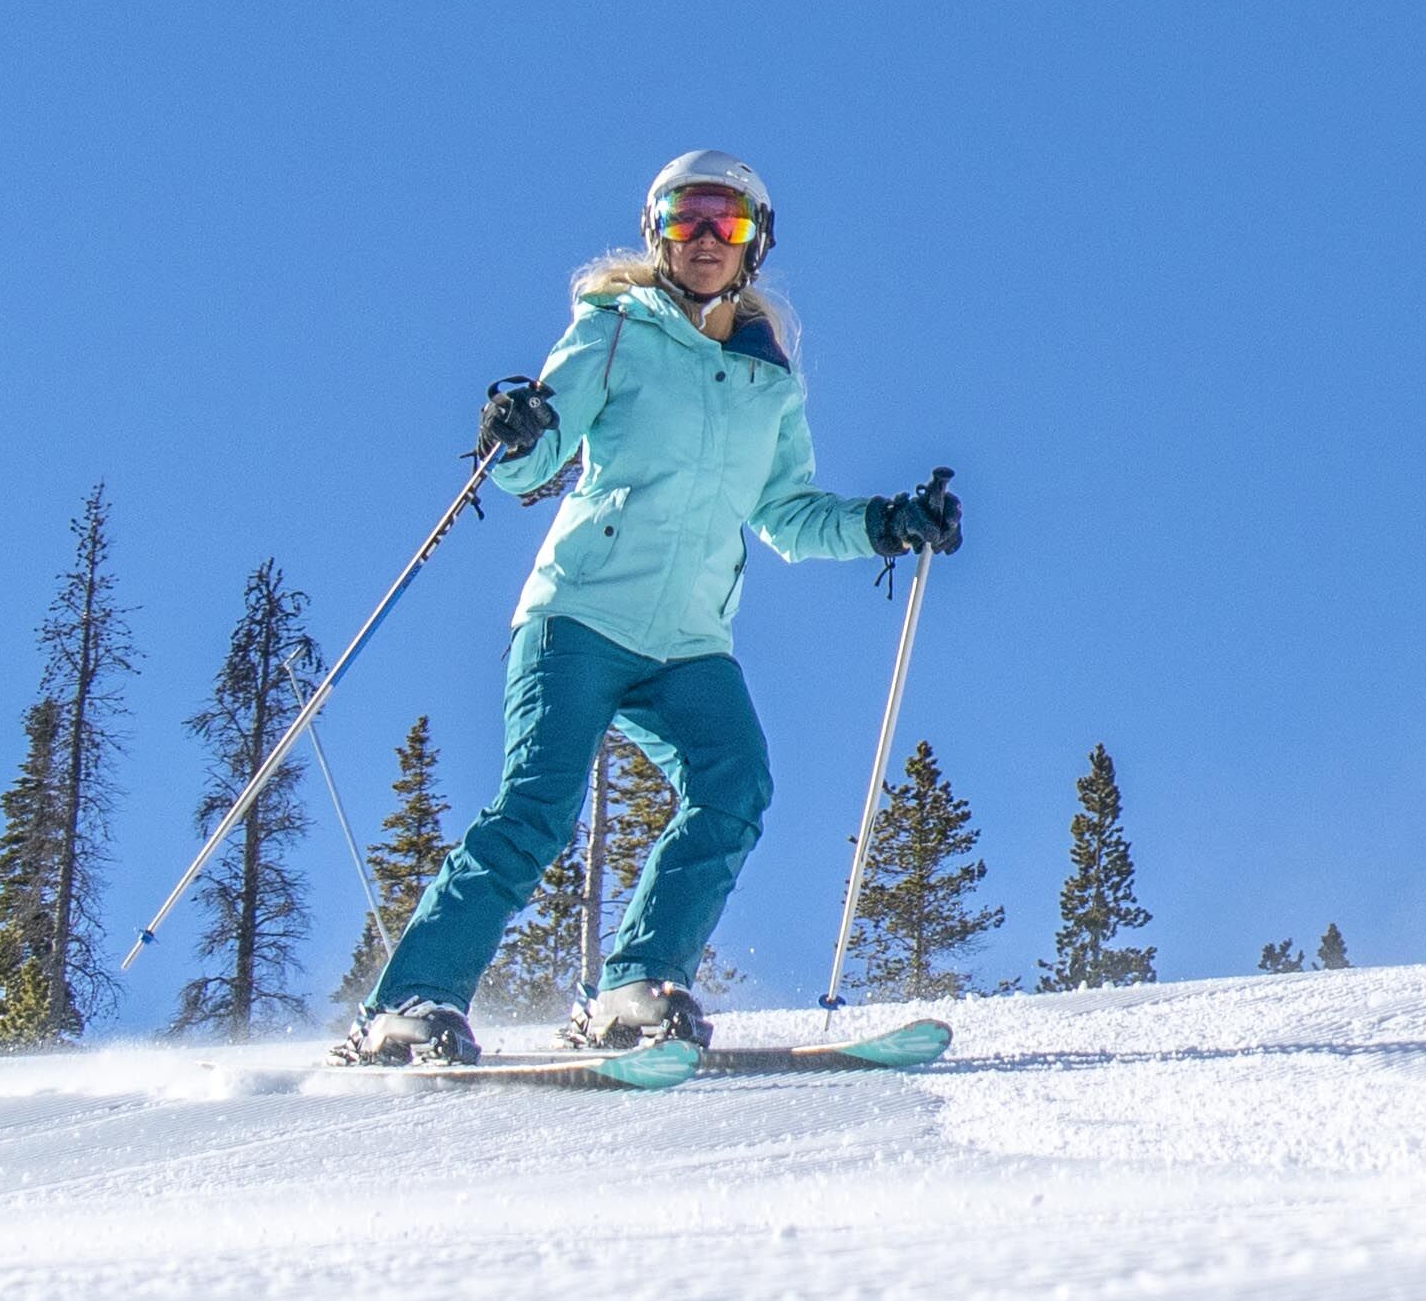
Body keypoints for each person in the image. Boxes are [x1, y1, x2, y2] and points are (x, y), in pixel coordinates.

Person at [332, 149, 963, 1062]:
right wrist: (517, 429)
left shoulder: (770, 382)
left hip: (689, 641)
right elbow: (536, 462)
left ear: (757, 241)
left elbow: (785, 511)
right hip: (580, 615)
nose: (706, 238)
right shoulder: (613, 330)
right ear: (656, 233)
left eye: (728, 220)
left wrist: (887, 523)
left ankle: (636, 985)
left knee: (734, 783)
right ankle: (411, 1002)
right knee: (536, 809)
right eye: (685, 217)